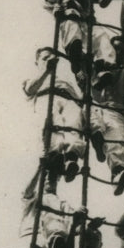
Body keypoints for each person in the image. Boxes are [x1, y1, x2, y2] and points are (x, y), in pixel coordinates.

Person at [22, 46, 84, 184]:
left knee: (74, 126)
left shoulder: (65, 80)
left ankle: (71, 158)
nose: (49, 60)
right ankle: (54, 164)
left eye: (51, 58)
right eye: (45, 58)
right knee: (51, 129)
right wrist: (46, 71)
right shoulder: (35, 79)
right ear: (37, 62)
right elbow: (30, 89)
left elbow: (79, 98)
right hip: (47, 99)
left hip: (68, 100)